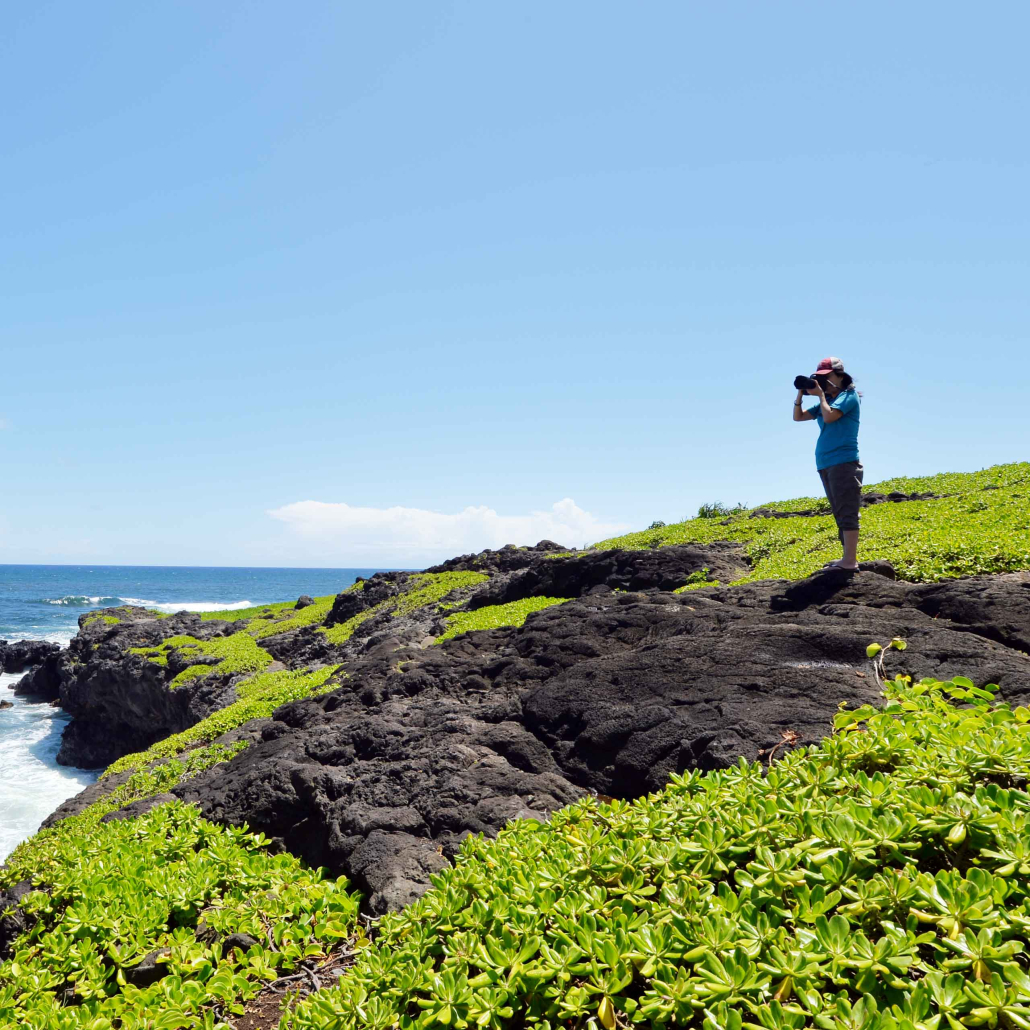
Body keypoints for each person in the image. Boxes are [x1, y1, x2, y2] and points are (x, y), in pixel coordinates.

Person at [792, 357, 862, 570]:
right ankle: (845, 558)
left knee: (847, 510)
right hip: (826, 462)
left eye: (826, 377)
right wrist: (801, 394)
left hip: (844, 461)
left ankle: (850, 561)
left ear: (840, 375)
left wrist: (821, 395)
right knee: (839, 511)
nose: (823, 382)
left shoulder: (848, 397)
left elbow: (830, 417)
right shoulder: (827, 401)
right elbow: (798, 417)